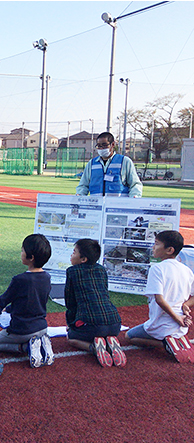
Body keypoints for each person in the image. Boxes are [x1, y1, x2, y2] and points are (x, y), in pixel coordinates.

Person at [126, 230, 194, 362]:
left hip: (162, 325)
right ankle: (175, 340)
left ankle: (165, 344)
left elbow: (159, 299)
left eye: (156, 244)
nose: (153, 247)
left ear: (169, 250)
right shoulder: (187, 270)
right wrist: (185, 306)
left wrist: (176, 318)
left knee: (129, 337)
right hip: (181, 328)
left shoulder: (157, 269)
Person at [0, 234, 55, 368]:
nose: (21, 253)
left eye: (22, 250)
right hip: (42, 327)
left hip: (22, 330)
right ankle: (41, 342)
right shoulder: (47, 277)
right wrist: (9, 310)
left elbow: (5, 298)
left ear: (30, 257)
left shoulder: (19, 279)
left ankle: (25, 348)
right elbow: (32, 300)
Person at [64, 239, 126, 367]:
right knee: (98, 328)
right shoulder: (101, 270)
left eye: (74, 252)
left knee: (71, 338)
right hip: (115, 324)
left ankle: (94, 347)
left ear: (83, 259)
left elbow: (70, 302)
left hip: (93, 325)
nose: (71, 255)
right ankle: (109, 342)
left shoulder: (72, 272)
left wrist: (71, 324)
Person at [76, 132, 142, 198]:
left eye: (104, 145)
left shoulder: (124, 161)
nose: (101, 148)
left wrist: (134, 196)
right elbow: (83, 185)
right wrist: (79, 195)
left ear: (112, 144)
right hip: (97, 205)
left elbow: (135, 184)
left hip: (118, 205)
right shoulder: (91, 164)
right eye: (99, 146)